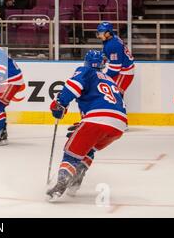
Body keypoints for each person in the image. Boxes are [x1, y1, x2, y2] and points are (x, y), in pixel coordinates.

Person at [46, 50, 127, 201]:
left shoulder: (86, 71)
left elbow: (72, 86)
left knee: (71, 152)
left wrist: (60, 104)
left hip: (97, 119)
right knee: (87, 149)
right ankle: (76, 181)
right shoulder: (109, 79)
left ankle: (60, 186)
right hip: (119, 125)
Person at [97, 22, 135, 95]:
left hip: (125, 72)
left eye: (101, 32)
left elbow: (115, 68)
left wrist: (103, 77)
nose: (99, 34)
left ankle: (119, 106)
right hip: (122, 70)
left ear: (108, 33)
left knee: (114, 94)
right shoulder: (112, 38)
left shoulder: (113, 45)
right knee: (109, 92)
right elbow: (105, 53)